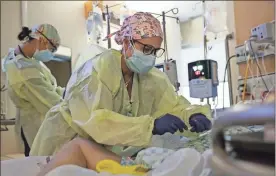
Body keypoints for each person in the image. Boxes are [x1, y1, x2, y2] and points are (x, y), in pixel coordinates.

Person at [30, 12, 211, 157]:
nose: (151, 56)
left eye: (155, 51)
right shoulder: (97, 69)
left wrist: (192, 114)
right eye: (146, 49)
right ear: (126, 42)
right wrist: (151, 126)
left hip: (98, 152)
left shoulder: (150, 77)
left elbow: (173, 104)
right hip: (65, 142)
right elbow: (96, 122)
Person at [2, 24, 64, 156]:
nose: (51, 55)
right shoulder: (23, 70)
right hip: (36, 126)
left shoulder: (29, 60)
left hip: (39, 123)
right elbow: (51, 102)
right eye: (52, 50)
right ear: (43, 40)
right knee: (41, 166)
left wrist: (67, 91)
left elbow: (50, 89)